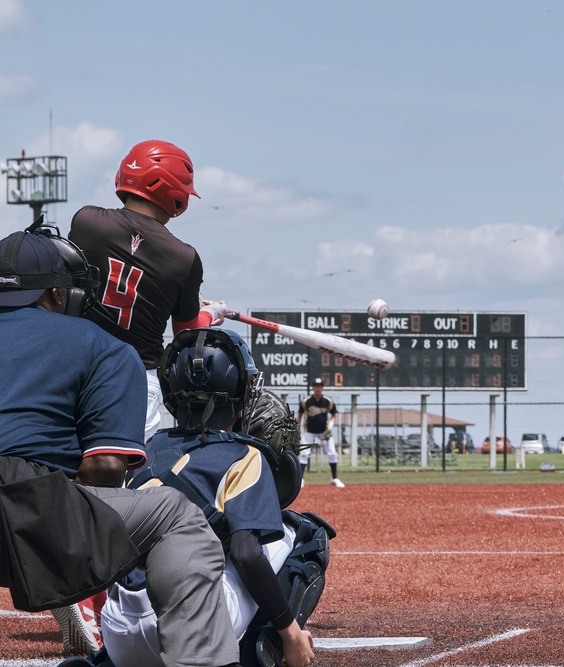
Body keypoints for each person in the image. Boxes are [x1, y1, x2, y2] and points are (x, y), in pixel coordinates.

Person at [0, 226, 240, 667]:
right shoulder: (101, 345)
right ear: (57, 293)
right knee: (173, 515)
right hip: (28, 509)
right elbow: (105, 464)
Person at [61, 139, 228, 654]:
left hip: (72, 363)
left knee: (69, 476)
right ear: (176, 195)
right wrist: (210, 315)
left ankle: (72, 586)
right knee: (134, 487)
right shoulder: (184, 258)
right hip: (136, 375)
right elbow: (183, 330)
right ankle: (117, 599)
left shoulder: (86, 220)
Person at [97, 328, 328, 667]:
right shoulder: (244, 455)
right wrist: (290, 630)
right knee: (305, 534)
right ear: (239, 391)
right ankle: (260, 653)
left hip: (117, 630)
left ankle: (101, 661)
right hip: (187, 628)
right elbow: (247, 554)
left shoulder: (145, 450)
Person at [298, 378, 343, 487]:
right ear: (313, 387)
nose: (318, 388)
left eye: (320, 386)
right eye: (316, 386)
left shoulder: (327, 401)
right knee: (303, 454)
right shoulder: (306, 401)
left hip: (324, 431)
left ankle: (335, 478)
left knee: (332, 453)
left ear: (322, 387)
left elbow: (333, 415)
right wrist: (297, 427)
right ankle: (300, 479)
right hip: (309, 431)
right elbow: (300, 415)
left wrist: (330, 426)